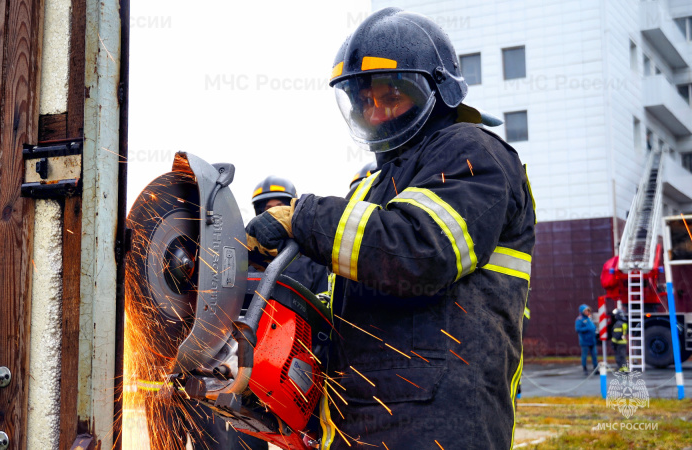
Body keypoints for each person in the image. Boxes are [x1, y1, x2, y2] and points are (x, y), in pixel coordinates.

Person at [246, 8, 535, 449]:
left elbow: (420, 250)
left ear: (435, 91)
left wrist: (302, 217)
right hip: (360, 419)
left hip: (439, 425)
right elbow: (330, 280)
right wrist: (259, 266)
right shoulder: (372, 185)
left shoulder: (475, 153)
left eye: (390, 97)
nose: (376, 113)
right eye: (365, 102)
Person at [251, 176, 329, 295]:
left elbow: (323, 302)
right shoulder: (249, 258)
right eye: (269, 209)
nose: (275, 213)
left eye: (279, 207)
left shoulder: (312, 256)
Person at [575, 304, 599, 375]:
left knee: (594, 354)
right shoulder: (579, 319)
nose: (587, 312)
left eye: (588, 310)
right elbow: (578, 329)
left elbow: (593, 326)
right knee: (584, 355)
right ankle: (584, 368)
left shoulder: (589, 318)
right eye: (585, 310)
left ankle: (595, 368)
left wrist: (594, 329)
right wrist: (587, 329)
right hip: (585, 340)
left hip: (592, 340)